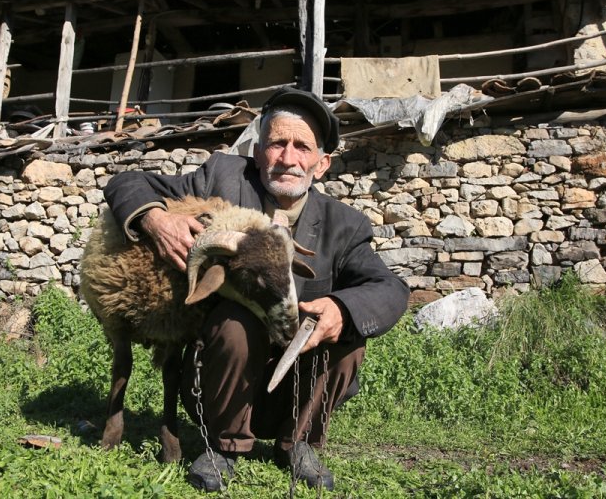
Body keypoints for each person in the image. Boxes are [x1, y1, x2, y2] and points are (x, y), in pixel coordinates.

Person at [104, 88, 408, 492]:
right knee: (235, 319)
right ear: (258, 148)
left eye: (302, 146)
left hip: (295, 385)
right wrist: (156, 220)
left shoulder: (344, 226)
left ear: (322, 163)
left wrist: (341, 310)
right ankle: (223, 445)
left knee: (349, 335)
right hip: (221, 380)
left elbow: (390, 287)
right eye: (276, 143)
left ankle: (297, 443)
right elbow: (128, 181)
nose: (287, 158)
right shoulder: (222, 178)